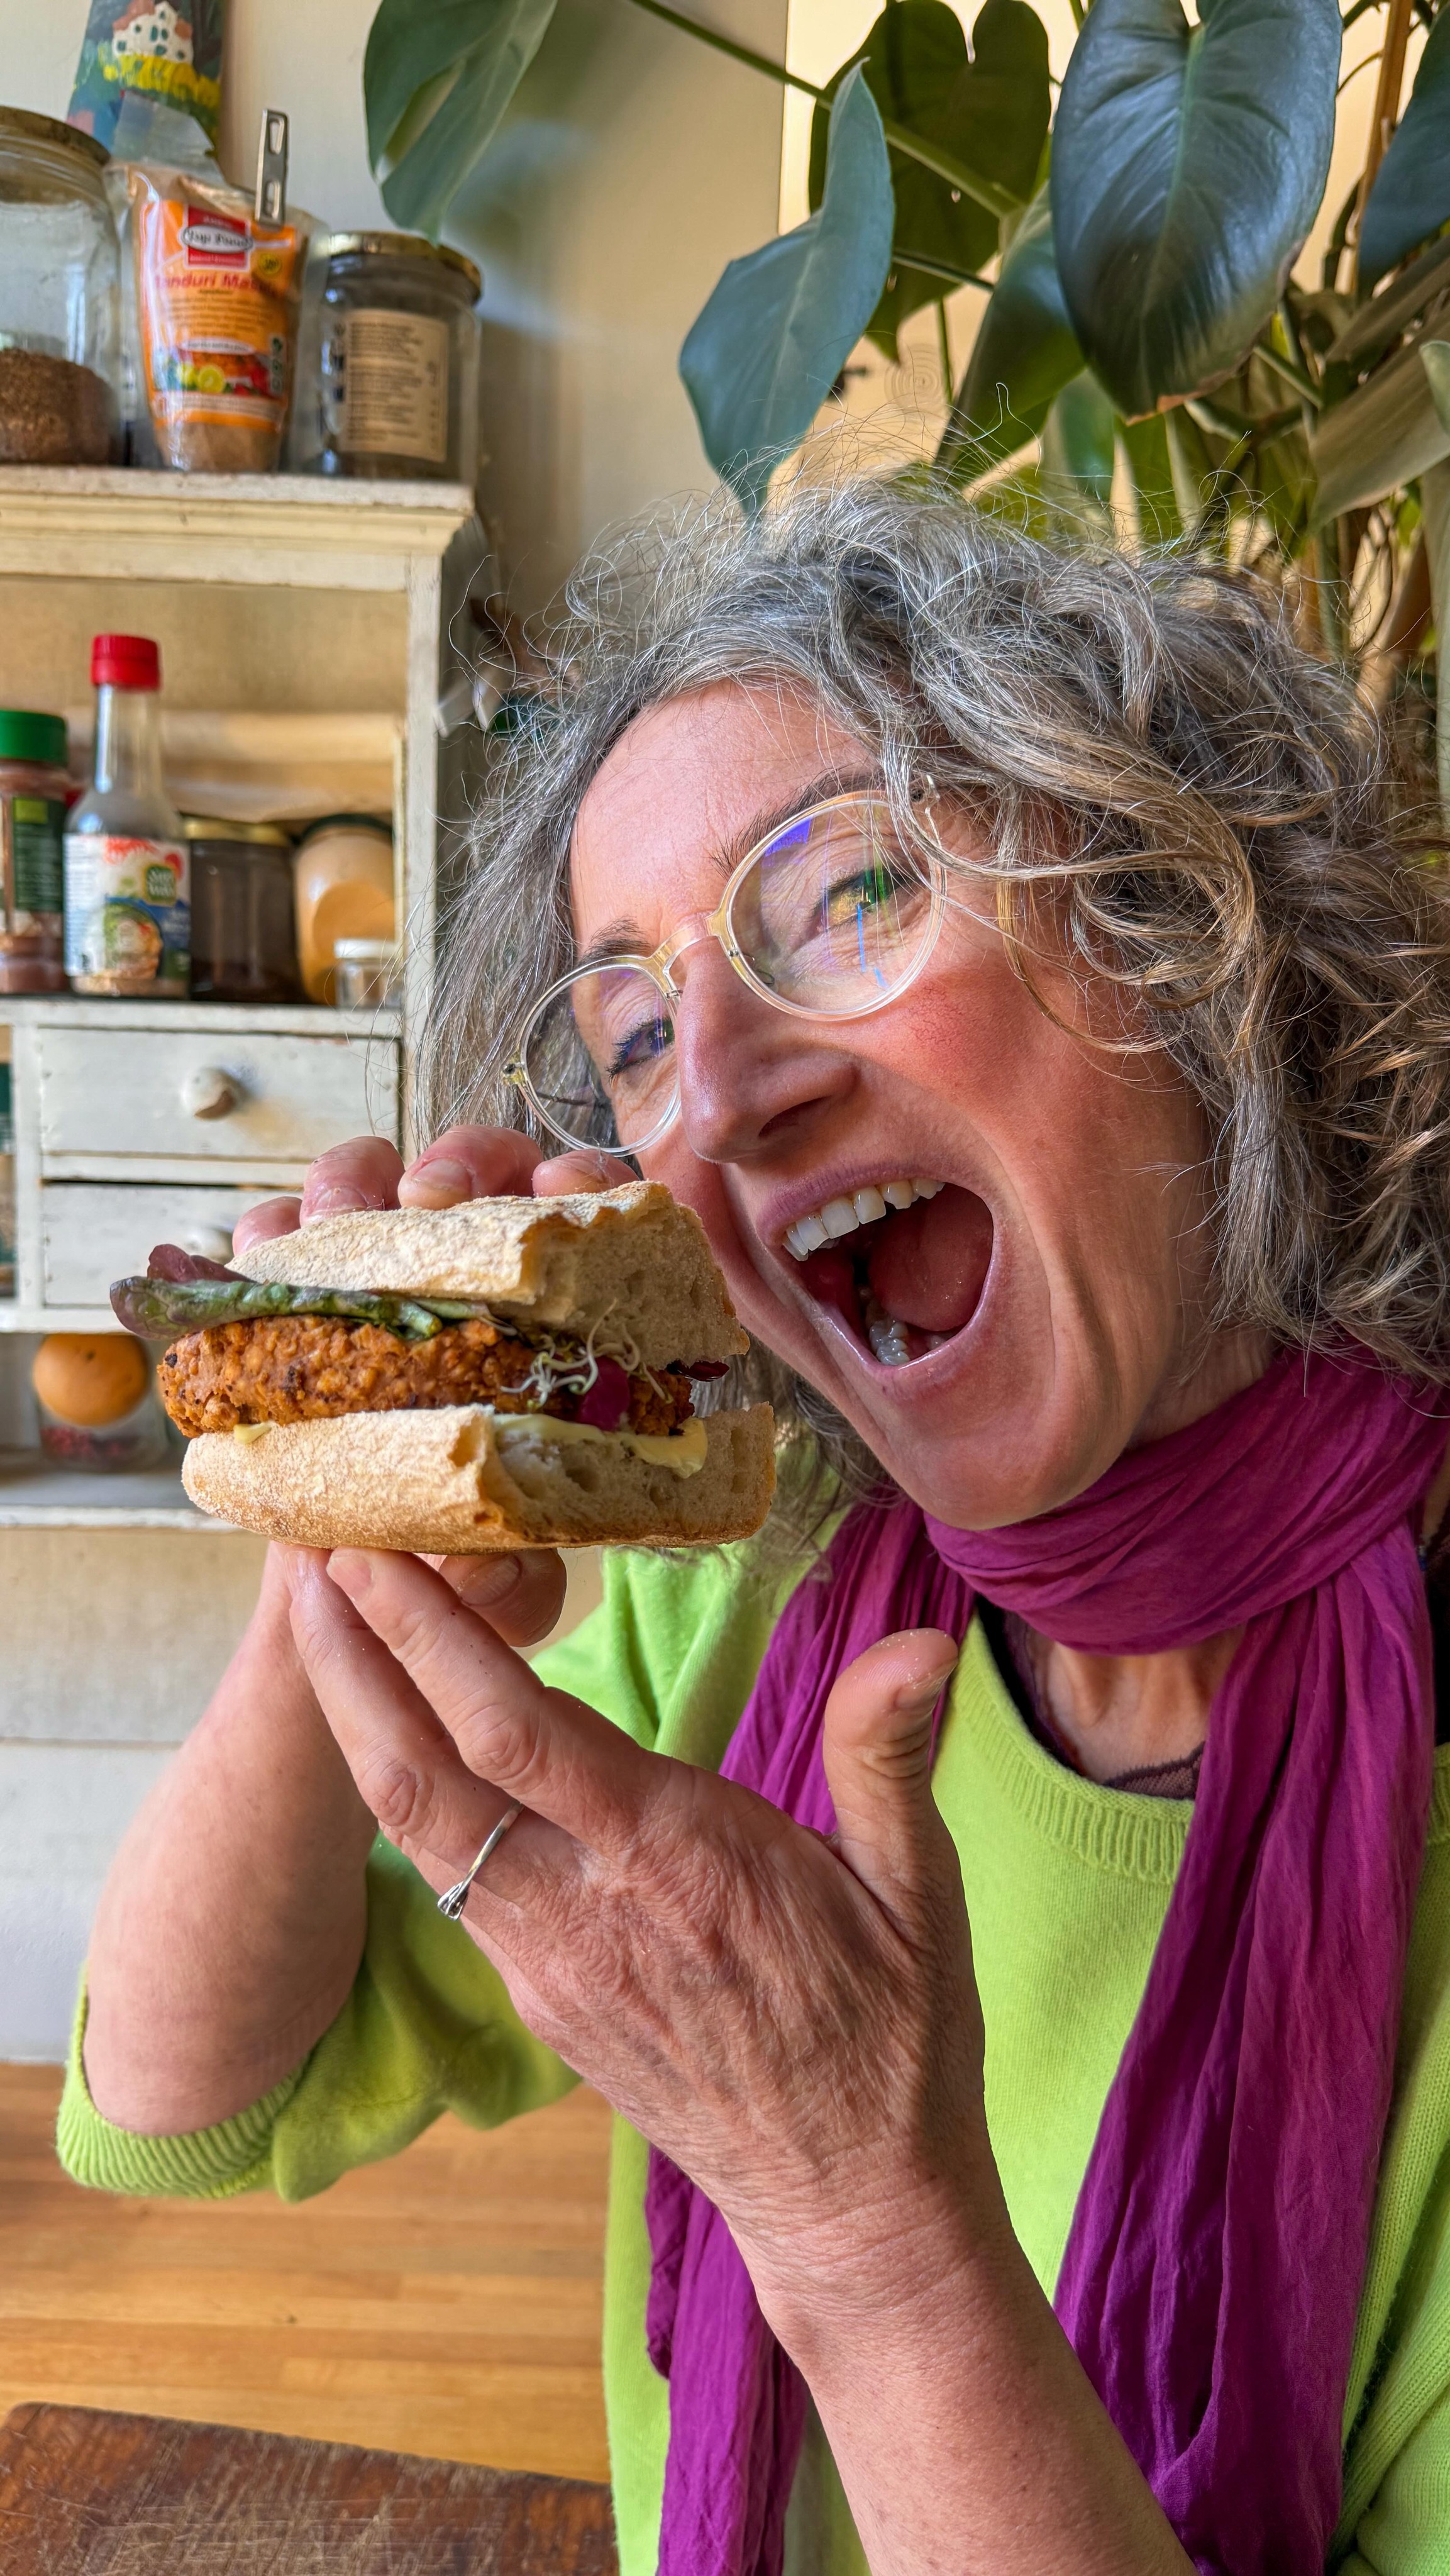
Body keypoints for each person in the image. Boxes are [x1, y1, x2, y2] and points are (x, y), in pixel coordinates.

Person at [62, 484, 1450, 2576]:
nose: (710, 1087)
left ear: (1190, 935)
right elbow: (172, 2104)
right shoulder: (738, 1608)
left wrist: (855, 2219)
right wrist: (348, 1500)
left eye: (853, 890)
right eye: (630, 1030)